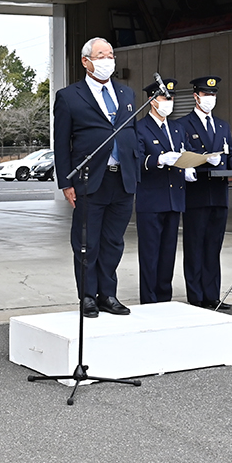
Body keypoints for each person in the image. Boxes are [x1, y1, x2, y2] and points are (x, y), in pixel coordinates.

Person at [54, 37, 142, 318]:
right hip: (89, 179)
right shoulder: (69, 97)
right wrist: (66, 182)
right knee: (86, 242)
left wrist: (135, 165)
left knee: (114, 242)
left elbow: (134, 135)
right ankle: (88, 296)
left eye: (111, 55)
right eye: (101, 55)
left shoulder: (126, 94)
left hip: (122, 179)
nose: (108, 60)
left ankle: (108, 294)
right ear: (86, 61)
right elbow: (61, 143)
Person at [178, 76, 232, 310]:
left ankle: (212, 295)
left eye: (213, 94)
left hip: (219, 194)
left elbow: (231, 155)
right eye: (206, 94)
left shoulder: (222, 126)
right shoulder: (183, 124)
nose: (210, 98)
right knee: (195, 245)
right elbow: (180, 155)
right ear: (195, 96)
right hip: (197, 193)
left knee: (213, 246)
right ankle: (196, 296)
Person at [135, 78, 195, 304]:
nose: (169, 102)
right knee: (150, 254)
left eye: (171, 98)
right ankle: (149, 301)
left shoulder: (177, 128)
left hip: (174, 197)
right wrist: (158, 159)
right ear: (152, 101)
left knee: (168, 252)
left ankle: (164, 298)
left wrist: (189, 167)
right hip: (151, 198)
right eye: (164, 98)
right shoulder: (140, 127)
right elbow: (136, 161)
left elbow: (184, 152)